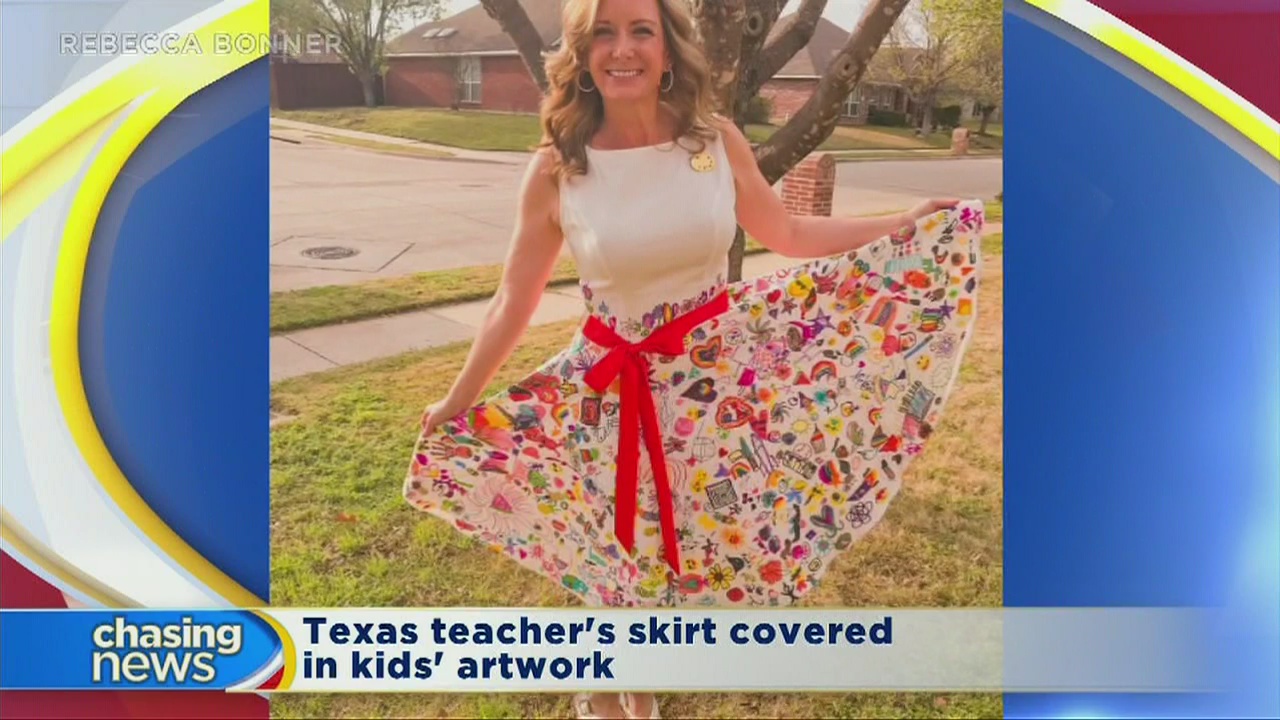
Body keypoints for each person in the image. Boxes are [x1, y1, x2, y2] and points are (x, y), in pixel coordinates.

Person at [403, 0, 984, 717]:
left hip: (715, 386)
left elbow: (787, 231)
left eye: (641, 30)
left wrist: (901, 223)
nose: (624, 48)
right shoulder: (558, 168)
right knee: (623, 549)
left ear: (669, 49)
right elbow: (510, 301)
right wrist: (458, 400)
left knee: (708, 535)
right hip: (611, 394)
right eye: (604, 33)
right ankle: (625, 692)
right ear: (582, 55)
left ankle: (628, 671)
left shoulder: (714, 141)